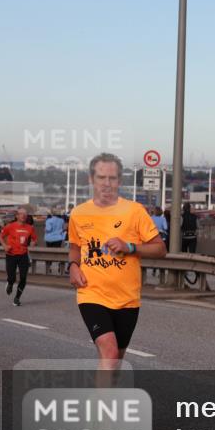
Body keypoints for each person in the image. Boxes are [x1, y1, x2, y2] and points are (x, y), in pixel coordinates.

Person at [68, 153, 166, 374]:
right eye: (101, 177)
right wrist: (73, 267)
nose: (107, 183)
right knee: (110, 353)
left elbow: (160, 249)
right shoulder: (79, 213)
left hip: (127, 299)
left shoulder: (134, 211)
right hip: (91, 293)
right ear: (91, 180)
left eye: (112, 178)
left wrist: (131, 247)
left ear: (119, 181)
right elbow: (75, 247)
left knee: (114, 362)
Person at [0, 207, 37, 306]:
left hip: (23, 255)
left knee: (23, 278)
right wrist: (4, 246)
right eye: (21, 214)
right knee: (12, 277)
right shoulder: (10, 226)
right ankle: (10, 283)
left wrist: (33, 242)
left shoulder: (30, 228)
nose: (23, 216)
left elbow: (34, 239)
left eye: (25, 214)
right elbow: (0, 236)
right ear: (17, 216)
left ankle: (17, 298)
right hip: (11, 254)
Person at [44, 207, 67, 274]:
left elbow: (48, 229)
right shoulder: (61, 220)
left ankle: (49, 267)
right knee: (58, 253)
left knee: (49, 253)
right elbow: (64, 228)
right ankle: (60, 266)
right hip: (58, 238)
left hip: (49, 239)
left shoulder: (49, 220)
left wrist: (45, 229)